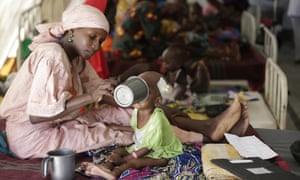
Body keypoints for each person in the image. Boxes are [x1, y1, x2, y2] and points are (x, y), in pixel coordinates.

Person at [0, 4, 248, 160]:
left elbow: (101, 90)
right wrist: (92, 97)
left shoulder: (75, 59)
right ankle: (205, 136)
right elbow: (37, 116)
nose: (97, 46)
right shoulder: (52, 56)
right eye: (92, 37)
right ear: (72, 30)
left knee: (136, 113)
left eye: (100, 40)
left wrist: (134, 101)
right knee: (123, 135)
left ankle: (207, 127)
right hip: (33, 135)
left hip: (59, 120)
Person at [81, 71, 183, 180]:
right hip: (142, 145)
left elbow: (147, 148)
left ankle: (114, 173)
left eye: (146, 93)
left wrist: (124, 160)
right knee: (118, 151)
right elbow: (139, 130)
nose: (139, 95)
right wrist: (118, 127)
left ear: (157, 101)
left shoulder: (158, 120)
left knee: (134, 162)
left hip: (161, 153)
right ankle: (106, 167)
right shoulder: (136, 111)